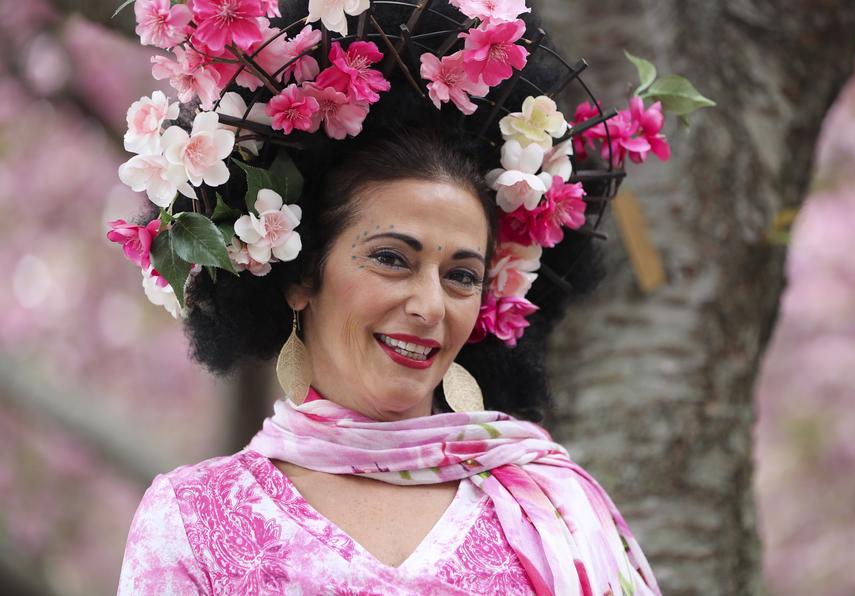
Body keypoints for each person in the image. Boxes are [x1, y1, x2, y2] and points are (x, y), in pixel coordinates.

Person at [112, 1, 666, 594]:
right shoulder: (192, 521)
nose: (430, 307)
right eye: (392, 259)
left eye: (461, 276)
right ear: (300, 276)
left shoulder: (553, 505)